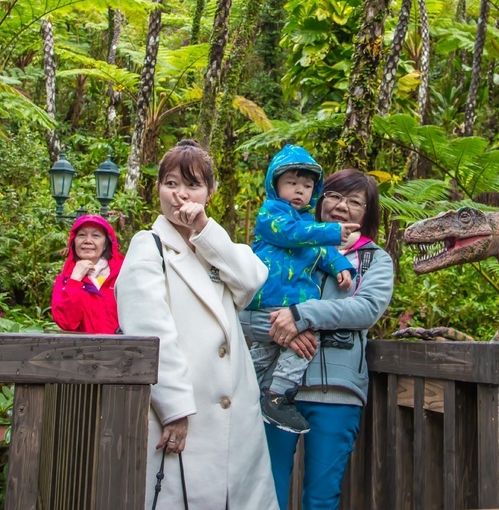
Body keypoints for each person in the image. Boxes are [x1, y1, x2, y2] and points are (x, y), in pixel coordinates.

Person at [115, 139, 279, 510]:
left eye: (193, 185)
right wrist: (174, 410)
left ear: (210, 193)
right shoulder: (149, 246)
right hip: (184, 414)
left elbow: (252, 281)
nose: (180, 195)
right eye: (171, 183)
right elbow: (151, 331)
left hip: (235, 415)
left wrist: (205, 231)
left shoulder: (216, 248)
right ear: (157, 189)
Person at [254, 169, 394, 510]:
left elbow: (365, 309)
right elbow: (245, 308)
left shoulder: (375, 260)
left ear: (367, 213)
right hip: (277, 392)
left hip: (337, 392)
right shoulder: (282, 246)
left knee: (321, 497)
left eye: (355, 201)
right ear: (319, 200)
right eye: (333, 196)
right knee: (268, 491)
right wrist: (283, 330)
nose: (341, 206)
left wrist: (302, 315)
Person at [241, 145, 358, 434]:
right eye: (292, 183)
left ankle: (256, 392)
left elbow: (323, 250)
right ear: (275, 184)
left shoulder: (311, 225)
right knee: (302, 341)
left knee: (268, 353)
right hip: (268, 301)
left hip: (293, 306)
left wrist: (341, 266)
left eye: (307, 186)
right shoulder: (271, 215)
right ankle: (274, 395)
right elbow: (295, 236)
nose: (299, 191)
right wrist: (332, 232)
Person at [51, 214, 124, 333]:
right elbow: (66, 323)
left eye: (96, 236)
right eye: (82, 235)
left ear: (106, 244)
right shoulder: (64, 280)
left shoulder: (122, 275)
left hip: (122, 348)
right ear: (73, 242)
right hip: (82, 349)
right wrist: (75, 280)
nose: (88, 241)